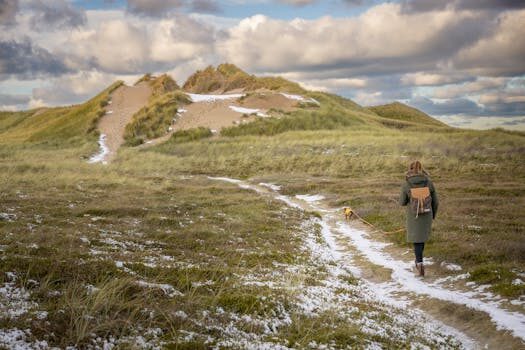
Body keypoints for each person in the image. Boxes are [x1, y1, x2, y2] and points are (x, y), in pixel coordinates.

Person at [399, 160, 438, 276]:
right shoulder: (429, 183)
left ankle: (419, 262)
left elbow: (402, 202)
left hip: (413, 216)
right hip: (427, 215)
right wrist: (433, 215)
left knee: (417, 240)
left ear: (409, 169)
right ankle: (419, 261)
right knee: (421, 238)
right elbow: (436, 202)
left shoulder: (406, 184)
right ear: (422, 169)